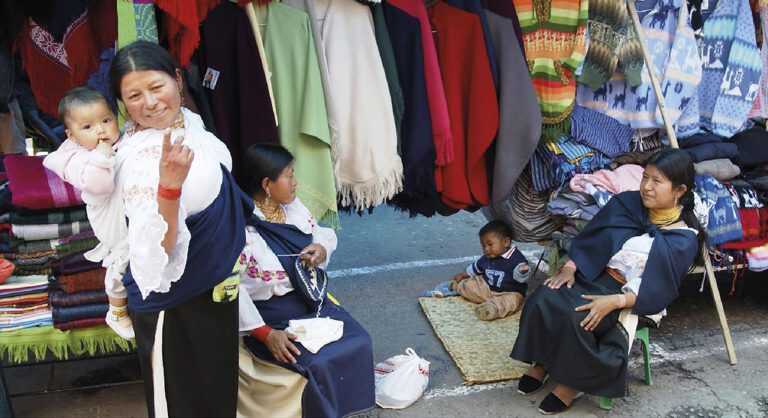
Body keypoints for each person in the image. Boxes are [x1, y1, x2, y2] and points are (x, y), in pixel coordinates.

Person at [109, 40, 250, 418]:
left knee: (215, 395)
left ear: (177, 79)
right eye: (134, 95)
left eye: (156, 88)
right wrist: (168, 187)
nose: (150, 103)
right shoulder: (140, 162)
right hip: (176, 304)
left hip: (214, 292)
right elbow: (159, 250)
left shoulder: (190, 123)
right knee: (182, 404)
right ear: (122, 103)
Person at [511, 148, 703, 415]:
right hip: (595, 273)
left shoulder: (684, 238)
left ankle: (571, 382)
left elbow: (660, 286)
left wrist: (615, 301)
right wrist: (570, 267)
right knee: (543, 298)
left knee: (577, 316)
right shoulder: (627, 203)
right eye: (645, 177)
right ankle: (543, 361)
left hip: (632, 296)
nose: (646, 187)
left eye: (656, 181)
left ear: (679, 190)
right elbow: (595, 238)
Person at [237, 144, 375, 418]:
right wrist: (265, 334)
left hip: (309, 301)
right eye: (289, 176)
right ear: (267, 184)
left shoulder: (292, 208)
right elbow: (232, 290)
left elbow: (322, 233)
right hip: (269, 317)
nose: (295, 182)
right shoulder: (242, 231)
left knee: (360, 340)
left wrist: (321, 249)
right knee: (318, 363)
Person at [43, 87, 134, 339]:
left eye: (106, 120)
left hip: (127, 210)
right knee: (121, 255)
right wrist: (103, 157)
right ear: (71, 135)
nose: (101, 130)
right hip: (107, 215)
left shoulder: (122, 141)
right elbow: (99, 185)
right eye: (88, 127)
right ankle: (116, 310)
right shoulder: (73, 159)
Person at [449, 220, 529, 320]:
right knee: (471, 285)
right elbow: (476, 267)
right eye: (483, 246)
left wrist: (522, 272)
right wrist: (464, 274)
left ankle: (491, 309)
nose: (486, 249)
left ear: (506, 242)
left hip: (509, 293)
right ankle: (457, 287)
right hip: (487, 289)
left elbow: (522, 276)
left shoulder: (517, 259)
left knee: (513, 302)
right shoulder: (487, 257)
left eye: (490, 244)